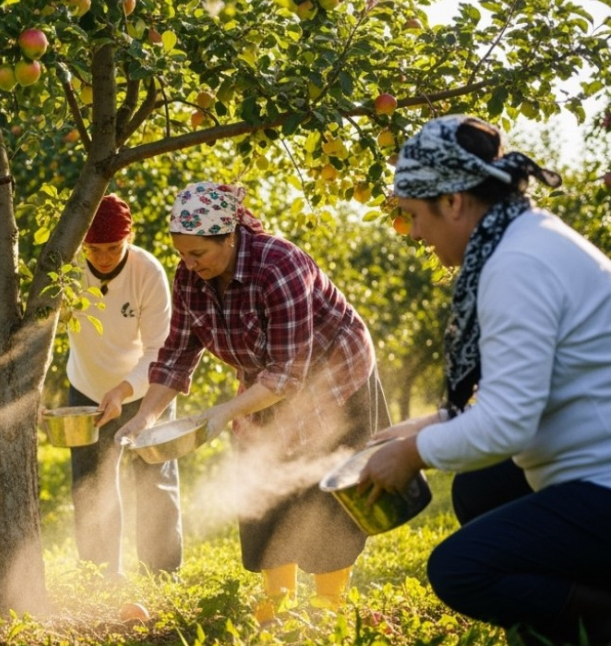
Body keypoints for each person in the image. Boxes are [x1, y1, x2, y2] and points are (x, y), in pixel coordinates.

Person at [359, 115, 611, 644]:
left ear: (452, 202)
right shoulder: (526, 239)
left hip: (602, 484)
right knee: (478, 487)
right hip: (591, 468)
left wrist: (412, 454)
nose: (415, 234)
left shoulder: (517, 264)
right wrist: (425, 429)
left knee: (459, 569)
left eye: (413, 216)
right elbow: (522, 394)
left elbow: (509, 425)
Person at [116, 181, 389, 625]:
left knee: (326, 492)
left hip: (333, 377)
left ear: (228, 237)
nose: (188, 265)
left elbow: (289, 374)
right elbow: (176, 355)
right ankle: (277, 607)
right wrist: (144, 416)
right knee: (259, 483)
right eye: (182, 254)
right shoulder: (191, 278)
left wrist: (221, 413)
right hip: (269, 380)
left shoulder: (278, 265)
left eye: (197, 254)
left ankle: (328, 609)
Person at [64, 194, 183, 578]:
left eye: (113, 248)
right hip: (86, 390)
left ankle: (162, 574)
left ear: (129, 239)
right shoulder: (66, 273)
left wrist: (122, 391)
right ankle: (100, 575)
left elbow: (158, 350)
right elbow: (39, 334)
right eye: (94, 249)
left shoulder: (147, 272)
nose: (103, 258)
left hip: (146, 389)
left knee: (155, 481)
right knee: (91, 485)